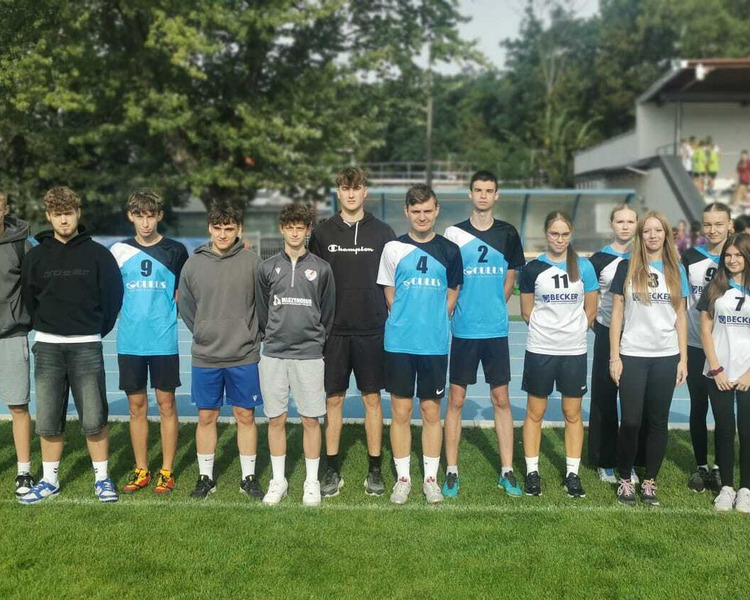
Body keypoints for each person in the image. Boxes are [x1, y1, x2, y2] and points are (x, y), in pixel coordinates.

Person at [19, 187, 123, 504]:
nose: (64, 220)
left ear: (78, 213)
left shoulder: (99, 255)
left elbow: (112, 298)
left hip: (86, 345)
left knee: (94, 417)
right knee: (48, 419)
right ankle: (49, 480)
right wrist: (49, 326)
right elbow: (29, 299)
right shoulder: (36, 257)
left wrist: (92, 330)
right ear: (48, 216)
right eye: (57, 214)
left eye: (68, 213)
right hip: (48, 346)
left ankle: (102, 479)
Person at [308, 167, 395, 497]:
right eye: (345, 188)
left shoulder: (383, 232)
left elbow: (393, 281)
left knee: (372, 399)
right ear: (338, 192)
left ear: (365, 191)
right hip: (334, 331)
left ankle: (375, 468)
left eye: (356, 188)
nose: (351, 194)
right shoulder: (322, 233)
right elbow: (312, 280)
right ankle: (331, 468)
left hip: (372, 329)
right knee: (334, 399)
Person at [377, 184, 463, 505]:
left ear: (437, 210)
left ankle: (430, 479)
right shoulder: (393, 248)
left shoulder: (450, 250)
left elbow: (452, 292)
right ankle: (403, 480)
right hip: (399, 343)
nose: (422, 217)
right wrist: (405, 317)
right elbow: (389, 291)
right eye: (416, 211)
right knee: (400, 411)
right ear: (407, 212)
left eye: (428, 210)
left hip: (434, 344)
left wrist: (435, 318)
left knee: (430, 411)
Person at [442, 170, 525, 498]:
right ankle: (451, 470)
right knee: (456, 400)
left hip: (495, 330)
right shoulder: (454, 234)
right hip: (464, 329)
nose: (483, 196)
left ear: (496, 195)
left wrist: (494, 306)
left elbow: (510, 278)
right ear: (470, 194)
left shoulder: (508, 233)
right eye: (478, 190)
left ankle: (507, 470)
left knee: (501, 399)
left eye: (489, 190)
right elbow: (451, 279)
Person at [178, 202, 265, 501]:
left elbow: (263, 305)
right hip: (206, 355)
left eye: (229, 228)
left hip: (244, 354)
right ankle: (206, 477)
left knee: (245, 415)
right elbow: (187, 308)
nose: (223, 234)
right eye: (218, 228)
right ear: (209, 228)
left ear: (239, 229)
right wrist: (204, 330)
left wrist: (252, 335)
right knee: (206, 416)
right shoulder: (193, 265)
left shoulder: (253, 262)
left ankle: (248, 477)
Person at [256, 203, 336, 507]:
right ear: (282, 229)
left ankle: (311, 482)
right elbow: (262, 311)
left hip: (309, 354)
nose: (294, 233)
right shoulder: (267, 268)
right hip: (274, 353)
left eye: (300, 228)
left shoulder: (322, 268)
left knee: (310, 419)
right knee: (276, 418)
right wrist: (273, 334)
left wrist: (315, 339)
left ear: (308, 230)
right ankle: (279, 480)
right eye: (289, 227)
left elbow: (327, 313)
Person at [110, 191, 188, 495]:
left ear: (159, 216)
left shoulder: (176, 251)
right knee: (136, 406)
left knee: (167, 405)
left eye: (150, 215)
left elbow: (183, 294)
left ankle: (166, 471)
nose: (145, 222)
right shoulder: (118, 251)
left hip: (163, 340)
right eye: (139, 216)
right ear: (130, 216)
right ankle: (141, 469)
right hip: (130, 341)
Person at [609, 211, 689, 506]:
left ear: (666, 235)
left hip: (666, 356)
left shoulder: (676, 269)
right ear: (640, 235)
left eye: (658, 230)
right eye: (647, 231)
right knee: (630, 420)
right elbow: (617, 314)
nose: (653, 235)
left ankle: (650, 481)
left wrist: (683, 359)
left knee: (657, 421)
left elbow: (681, 316)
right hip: (632, 353)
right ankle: (625, 478)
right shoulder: (626, 267)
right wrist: (614, 357)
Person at [520, 212, 598, 498]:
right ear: (546, 233)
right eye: (555, 233)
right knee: (535, 412)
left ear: (571, 235)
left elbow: (591, 308)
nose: (560, 239)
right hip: (540, 349)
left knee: (572, 413)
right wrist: (548, 332)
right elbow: (526, 311)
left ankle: (572, 474)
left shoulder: (584, 267)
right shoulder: (533, 269)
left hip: (573, 350)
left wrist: (573, 331)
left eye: (565, 234)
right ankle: (532, 472)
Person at [698, 233, 750, 511]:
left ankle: (746, 490)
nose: (732, 260)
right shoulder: (715, 288)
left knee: (748, 431)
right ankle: (727, 488)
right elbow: (705, 330)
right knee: (724, 429)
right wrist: (716, 369)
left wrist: (749, 374)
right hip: (719, 372)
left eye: (738, 255)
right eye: (728, 255)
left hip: (747, 374)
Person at [682, 203, 732, 493]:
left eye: (718, 224)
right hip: (695, 343)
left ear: (729, 225)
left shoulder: (738, 257)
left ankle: (723, 467)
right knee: (698, 406)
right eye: (708, 224)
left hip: (729, 346)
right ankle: (701, 466)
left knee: (725, 412)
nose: (712, 230)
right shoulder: (690, 257)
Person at [588, 204, 638, 483]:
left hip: (639, 337)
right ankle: (603, 459)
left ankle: (632, 459)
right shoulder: (599, 259)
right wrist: (597, 325)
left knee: (634, 401)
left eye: (630, 221)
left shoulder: (643, 256)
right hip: (608, 334)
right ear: (612, 224)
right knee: (605, 397)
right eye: (620, 221)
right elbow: (589, 297)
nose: (625, 226)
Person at [0, 191, 34, 497]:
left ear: (5, 209)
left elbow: (36, 283)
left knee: (18, 406)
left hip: (11, 334)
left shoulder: (21, 243)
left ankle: (24, 472)